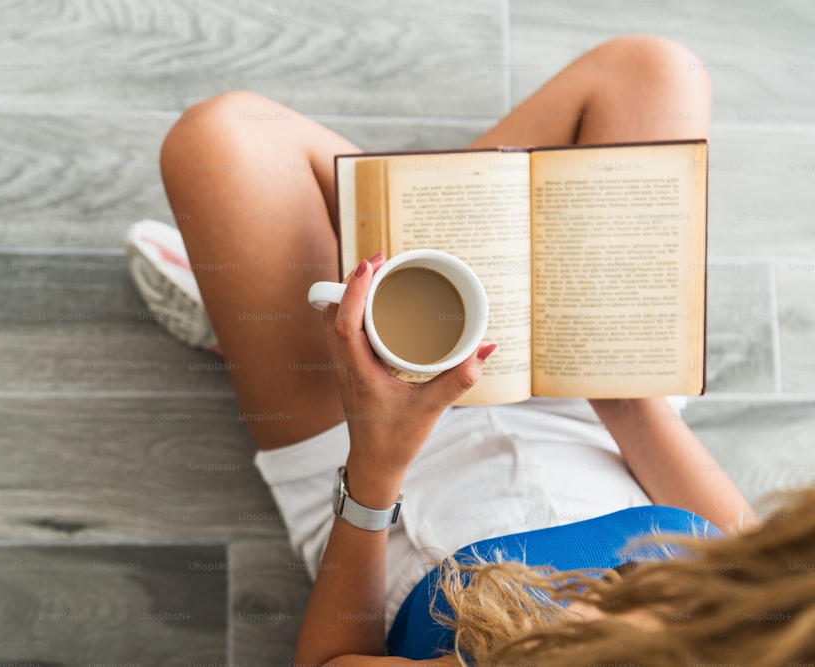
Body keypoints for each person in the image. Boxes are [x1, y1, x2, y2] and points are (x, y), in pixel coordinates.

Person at [126, 34, 815, 665]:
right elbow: (735, 544)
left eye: (602, 613)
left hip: (383, 480)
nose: (609, 588)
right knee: (654, 73)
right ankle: (297, 273)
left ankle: (274, 291)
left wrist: (376, 461)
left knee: (219, 138)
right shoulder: (775, 620)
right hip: (594, 429)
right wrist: (628, 402)